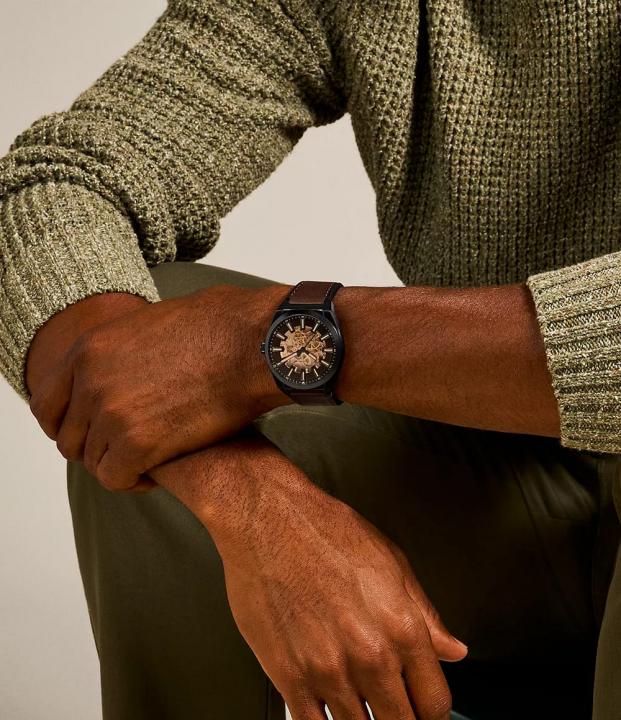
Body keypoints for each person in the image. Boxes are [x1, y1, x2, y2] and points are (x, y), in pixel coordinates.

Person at [2, 1, 621, 718]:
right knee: (137, 376)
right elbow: (55, 184)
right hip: (503, 477)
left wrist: (255, 345)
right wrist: (255, 505)